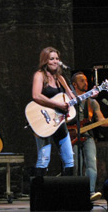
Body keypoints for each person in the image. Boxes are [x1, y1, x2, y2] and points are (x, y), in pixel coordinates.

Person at [70, 71, 108, 201]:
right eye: (82, 80)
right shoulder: (69, 100)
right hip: (71, 135)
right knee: (76, 165)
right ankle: (76, 192)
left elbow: (101, 121)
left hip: (87, 136)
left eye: (86, 80)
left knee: (91, 163)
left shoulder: (92, 102)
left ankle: (90, 192)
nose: (86, 82)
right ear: (74, 84)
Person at [31, 47, 76, 176]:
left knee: (69, 159)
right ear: (45, 61)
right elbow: (36, 95)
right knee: (44, 159)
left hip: (59, 121)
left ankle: (67, 194)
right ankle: (39, 193)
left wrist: (90, 94)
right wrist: (57, 104)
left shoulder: (60, 78)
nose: (55, 61)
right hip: (43, 120)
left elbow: (72, 98)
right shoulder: (39, 75)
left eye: (57, 58)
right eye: (52, 59)